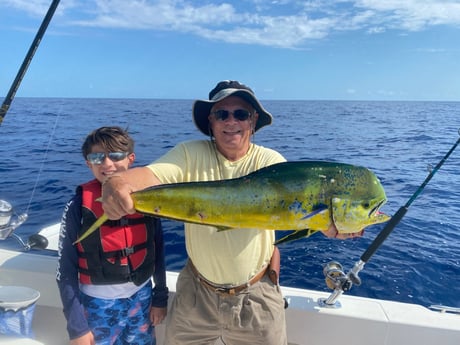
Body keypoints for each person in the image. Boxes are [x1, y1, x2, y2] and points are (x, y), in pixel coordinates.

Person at [100, 81, 353, 345]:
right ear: (211, 121)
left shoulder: (271, 163)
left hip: (256, 297)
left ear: (253, 120)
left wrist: (331, 223)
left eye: (241, 114)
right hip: (196, 295)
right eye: (222, 114)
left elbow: (300, 210)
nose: (231, 121)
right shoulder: (189, 153)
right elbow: (151, 175)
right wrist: (118, 183)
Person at [56, 126, 168, 345]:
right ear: (88, 163)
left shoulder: (146, 202)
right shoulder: (77, 206)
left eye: (116, 156)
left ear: (131, 159)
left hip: (142, 299)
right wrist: (76, 326)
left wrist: (160, 297)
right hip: (98, 304)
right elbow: (65, 270)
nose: (107, 164)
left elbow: (158, 250)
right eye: (97, 157)